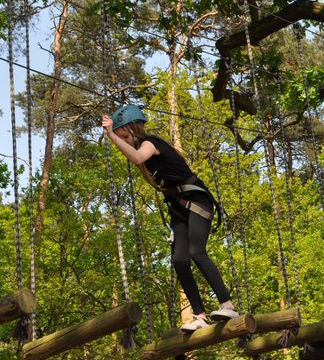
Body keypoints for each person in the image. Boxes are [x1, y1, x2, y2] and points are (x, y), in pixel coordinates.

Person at [102, 105, 239, 332]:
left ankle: (228, 305)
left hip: (196, 200)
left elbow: (137, 157)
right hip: (178, 207)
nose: (123, 141)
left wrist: (110, 135)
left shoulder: (150, 143)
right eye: (120, 138)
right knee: (179, 260)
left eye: (125, 136)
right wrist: (113, 135)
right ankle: (200, 316)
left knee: (197, 251)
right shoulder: (141, 152)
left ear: (135, 129)